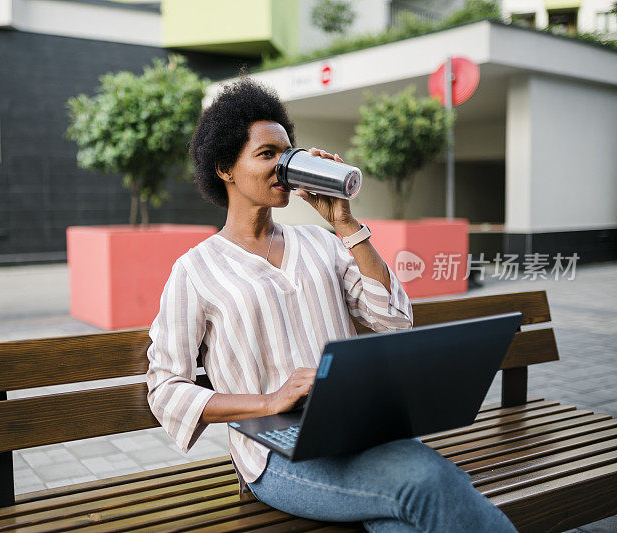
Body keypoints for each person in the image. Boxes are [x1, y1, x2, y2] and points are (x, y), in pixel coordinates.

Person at [145, 77, 516, 532]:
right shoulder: (195, 270)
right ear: (225, 168)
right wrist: (267, 401)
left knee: (407, 519)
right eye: (266, 155)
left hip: (357, 428)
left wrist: (346, 223)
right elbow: (166, 388)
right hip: (276, 454)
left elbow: (394, 322)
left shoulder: (321, 242)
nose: (282, 167)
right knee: (424, 478)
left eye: (287, 155)